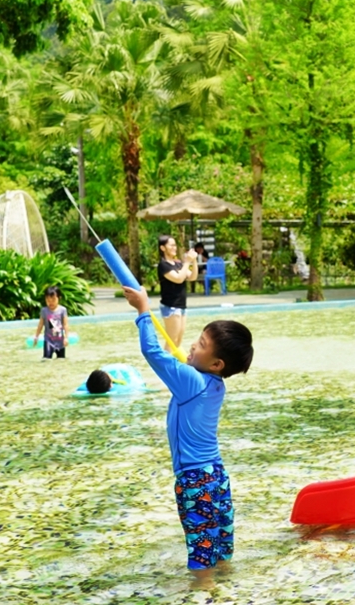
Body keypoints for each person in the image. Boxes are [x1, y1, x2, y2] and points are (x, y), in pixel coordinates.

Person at [121, 283, 253, 587]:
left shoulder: (191, 382)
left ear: (217, 364)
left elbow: (152, 351)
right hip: (216, 475)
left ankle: (203, 588)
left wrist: (143, 310)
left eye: (202, 344)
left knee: (200, 543)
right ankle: (226, 581)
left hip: (194, 480)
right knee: (218, 537)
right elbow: (190, 368)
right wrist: (193, 361)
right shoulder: (216, 384)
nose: (193, 345)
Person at [157, 235, 199, 348]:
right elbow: (179, 279)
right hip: (170, 306)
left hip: (181, 305)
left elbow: (192, 277)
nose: (174, 247)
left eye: (175, 245)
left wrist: (193, 261)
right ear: (163, 248)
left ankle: (173, 363)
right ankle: (163, 365)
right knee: (172, 340)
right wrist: (187, 262)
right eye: (171, 245)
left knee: (178, 339)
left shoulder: (178, 264)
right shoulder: (163, 265)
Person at [33, 285, 69, 360]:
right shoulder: (44, 311)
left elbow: (65, 325)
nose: (50, 303)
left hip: (60, 342)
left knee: (61, 360)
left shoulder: (63, 310)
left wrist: (66, 338)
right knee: (46, 359)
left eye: (53, 300)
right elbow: (40, 324)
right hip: (48, 341)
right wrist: (36, 336)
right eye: (48, 300)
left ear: (59, 298)